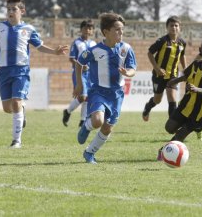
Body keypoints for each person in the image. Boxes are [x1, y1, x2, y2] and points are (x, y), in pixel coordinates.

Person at [0, 0, 68, 148]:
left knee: (16, 102)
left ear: (22, 11)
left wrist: (54, 52)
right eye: (8, 9)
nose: (10, 11)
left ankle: (16, 141)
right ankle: (22, 111)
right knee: (7, 108)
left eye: (14, 9)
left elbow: (39, 46)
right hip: (3, 71)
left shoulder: (28, 29)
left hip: (21, 70)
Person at [74, 12, 137, 164]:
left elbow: (133, 68)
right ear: (106, 32)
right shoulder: (95, 50)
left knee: (107, 128)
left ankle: (89, 153)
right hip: (98, 92)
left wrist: (127, 72)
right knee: (97, 121)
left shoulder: (126, 49)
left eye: (122, 29)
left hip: (116, 94)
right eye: (117, 29)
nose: (120, 33)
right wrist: (80, 84)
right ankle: (86, 127)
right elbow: (79, 62)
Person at [157, 37, 202, 159]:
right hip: (187, 104)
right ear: (200, 50)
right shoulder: (196, 65)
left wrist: (197, 89)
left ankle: (164, 153)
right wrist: (174, 81)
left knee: (182, 133)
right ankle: (180, 136)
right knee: (169, 127)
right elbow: (186, 75)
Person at [142, 15, 187, 121]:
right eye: (171, 25)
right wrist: (157, 68)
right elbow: (150, 53)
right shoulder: (162, 41)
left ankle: (172, 124)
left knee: (172, 97)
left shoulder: (182, 43)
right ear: (167, 27)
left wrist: (185, 68)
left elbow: (182, 55)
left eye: (176, 25)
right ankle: (147, 107)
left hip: (173, 75)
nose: (174, 28)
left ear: (180, 28)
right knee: (157, 100)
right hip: (159, 75)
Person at [62, 19, 96, 127]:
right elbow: (72, 58)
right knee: (83, 96)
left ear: (92, 31)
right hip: (79, 73)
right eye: (85, 28)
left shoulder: (94, 44)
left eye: (90, 28)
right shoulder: (76, 43)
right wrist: (81, 65)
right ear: (81, 29)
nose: (87, 30)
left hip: (90, 74)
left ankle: (82, 121)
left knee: (87, 97)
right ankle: (67, 111)